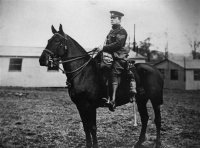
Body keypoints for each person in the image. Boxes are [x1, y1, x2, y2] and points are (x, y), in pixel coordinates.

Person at [98, 11, 144, 111]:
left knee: (113, 72)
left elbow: (118, 44)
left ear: (119, 19)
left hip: (119, 57)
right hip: (110, 56)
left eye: (114, 18)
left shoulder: (122, 31)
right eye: (111, 18)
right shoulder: (111, 31)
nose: (111, 19)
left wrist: (104, 48)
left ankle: (113, 100)